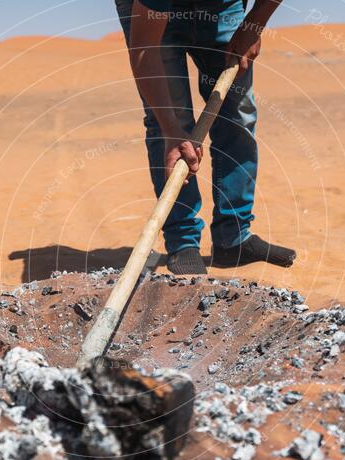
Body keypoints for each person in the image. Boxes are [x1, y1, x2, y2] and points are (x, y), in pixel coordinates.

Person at [115, 0, 297, 274]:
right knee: (170, 121)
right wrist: (170, 129)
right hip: (153, 15)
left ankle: (233, 238)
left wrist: (254, 24)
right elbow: (145, 50)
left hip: (225, 9)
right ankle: (183, 242)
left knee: (237, 115)